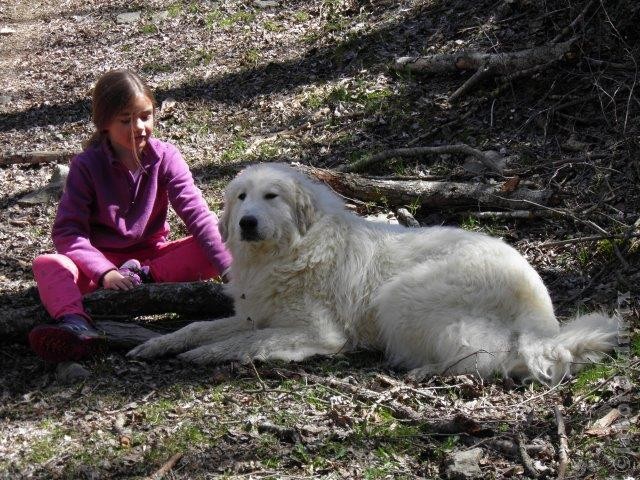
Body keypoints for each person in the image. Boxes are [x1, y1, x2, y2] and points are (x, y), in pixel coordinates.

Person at [28, 69, 232, 363]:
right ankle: (76, 325)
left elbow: (197, 215)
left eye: (145, 116)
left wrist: (230, 271)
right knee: (47, 264)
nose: (139, 126)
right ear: (104, 124)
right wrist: (105, 271)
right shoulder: (87, 166)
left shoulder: (166, 157)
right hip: (97, 269)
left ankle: (142, 281)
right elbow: (68, 233)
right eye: (126, 120)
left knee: (224, 234)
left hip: (154, 265)